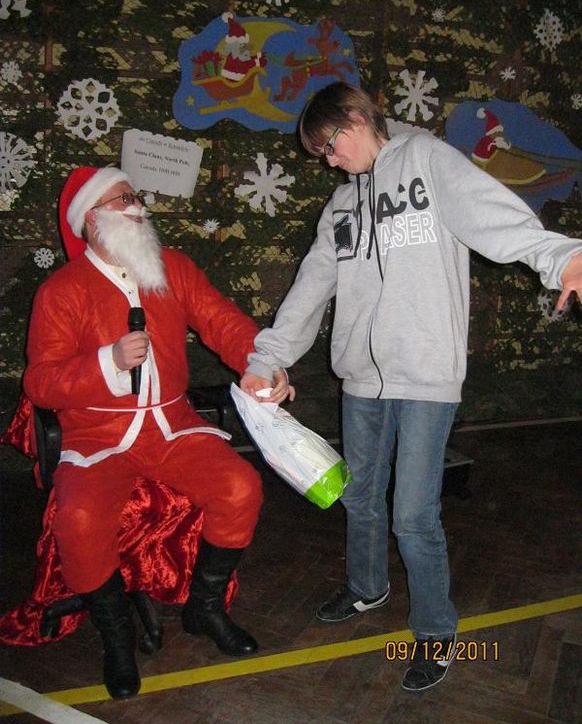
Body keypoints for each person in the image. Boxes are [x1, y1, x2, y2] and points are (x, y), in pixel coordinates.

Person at [240, 82, 582, 691]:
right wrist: (269, 358)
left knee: (414, 517)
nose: (330, 161)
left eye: (330, 145)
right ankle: (367, 587)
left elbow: (492, 213)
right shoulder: (341, 207)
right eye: (322, 154)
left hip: (426, 375)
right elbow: (311, 287)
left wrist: (560, 257)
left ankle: (435, 632)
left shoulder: (427, 160)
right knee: (361, 496)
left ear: (356, 117)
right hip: (360, 379)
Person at [23, 166, 277, 701]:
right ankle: (117, 638)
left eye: (135, 196)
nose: (136, 206)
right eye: (121, 200)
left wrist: (261, 364)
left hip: (171, 425)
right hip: (98, 434)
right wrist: (107, 362)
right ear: (91, 220)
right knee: (78, 519)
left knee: (240, 487)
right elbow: (41, 383)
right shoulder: (62, 290)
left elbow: (221, 320)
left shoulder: (172, 268)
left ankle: (204, 609)